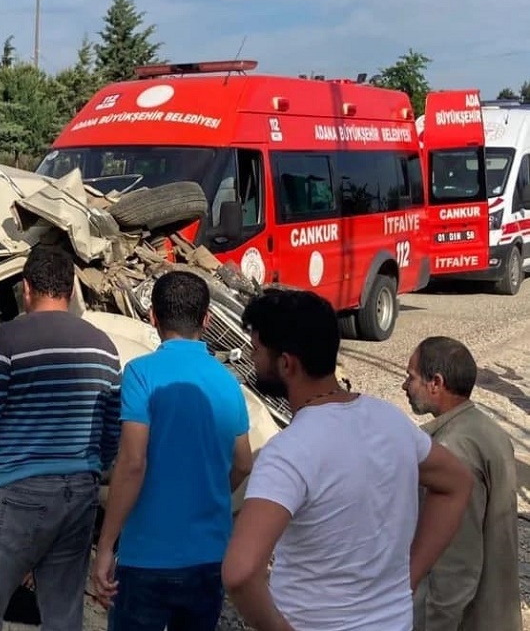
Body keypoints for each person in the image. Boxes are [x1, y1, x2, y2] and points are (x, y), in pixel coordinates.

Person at [221, 288, 474, 631]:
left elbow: (239, 571)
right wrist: (409, 578)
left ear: (286, 363)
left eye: (256, 351)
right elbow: (457, 483)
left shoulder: (289, 452)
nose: (252, 360)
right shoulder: (390, 421)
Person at [0, 244, 122, 631]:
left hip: (17, 493)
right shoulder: (104, 347)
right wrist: (94, 468)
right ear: (72, 289)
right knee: (62, 614)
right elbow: (112, 429)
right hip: (79, 493)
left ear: (26, 289)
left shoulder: (9, 340)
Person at [91, 270, 254, 631]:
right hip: (209, 555)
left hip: (147, 556)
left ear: (152, 317)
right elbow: (244, 462)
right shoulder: (227, 382)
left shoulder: (140, 374)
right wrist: (209, 493)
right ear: (207, 319)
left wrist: (105, 546)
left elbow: (132, 463)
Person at [403, 336, 522, 631]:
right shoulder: (486, 430)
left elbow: (453, 564)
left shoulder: (453, 450)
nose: (405, 386)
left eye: (411, 377)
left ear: (436, 383)